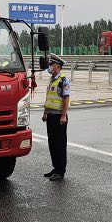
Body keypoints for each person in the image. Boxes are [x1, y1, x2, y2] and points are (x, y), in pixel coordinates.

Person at [42, 53, 70, 181]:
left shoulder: (63, 80)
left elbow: (65, 98)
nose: (50, 67)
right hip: (51, 116)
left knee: (60, 144)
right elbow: (49, 98)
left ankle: (61, 170)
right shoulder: (52, 80)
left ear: (58, 66)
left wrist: (63, 115)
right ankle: (55, 167)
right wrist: (45, 113)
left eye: (51, 65)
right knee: (52, 143)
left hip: (59, 117)